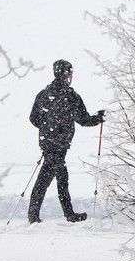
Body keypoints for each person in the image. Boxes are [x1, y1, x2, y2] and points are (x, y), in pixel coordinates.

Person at [27, 59, 105, 223]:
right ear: (66, 75)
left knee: (45, 178)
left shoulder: (43, 94)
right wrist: (99, 118)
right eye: (69, 74)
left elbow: (33, 118)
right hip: (59, 145)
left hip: (47, 143)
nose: (71, 77)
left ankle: (33, 216)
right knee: (61, 178)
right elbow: (84, 120)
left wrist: (47, 128)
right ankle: (68, 214)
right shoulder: (71, 97)